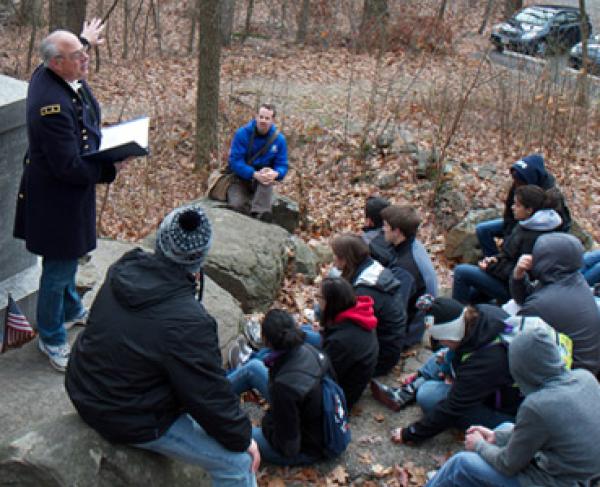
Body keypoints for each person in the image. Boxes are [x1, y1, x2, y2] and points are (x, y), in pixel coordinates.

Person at [65, 204, 259, 487]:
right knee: (238, 463)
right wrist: (244, 439)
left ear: (159, 240)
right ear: (201, 258)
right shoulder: (189, 323)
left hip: (82, 384)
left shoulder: (125, 266)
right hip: (124, 414)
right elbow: (208, 396)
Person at [12, 21, 127, 371]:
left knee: (68, 259)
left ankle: (72, 309)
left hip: (66, 195)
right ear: (57, 63)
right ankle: (51, 337)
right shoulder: (51, 105)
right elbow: (69, 167)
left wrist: (83, 40)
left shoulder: (50, 71)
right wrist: (110, 169)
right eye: (79, 56)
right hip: (56, 199)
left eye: (84, 53)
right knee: (58, 268)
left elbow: (66, 48)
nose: (86, 59)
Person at [425, 326, 600, 487]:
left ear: (522, 369)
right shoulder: (585, 377)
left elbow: (508, 465)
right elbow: (546, 430)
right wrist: (496, 437)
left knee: (461, 464)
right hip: (582, 473)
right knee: (504, 428)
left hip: (558, 481)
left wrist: (479, 445)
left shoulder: (537, 406)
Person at [382, 298, 521, 444]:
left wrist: (410, 433)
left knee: (428, 395)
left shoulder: (486, 362)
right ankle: (412, 387)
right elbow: (459, 351)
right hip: (490, 381)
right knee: (445, 353)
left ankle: (418, 386)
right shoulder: (481, 312)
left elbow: (452, 408)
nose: (439, 343)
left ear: (451, 335)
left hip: (508, 414)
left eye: (442, 339)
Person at [227, 309, 329, 466]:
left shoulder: (284, 387)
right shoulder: (311, 350)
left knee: (231, 432)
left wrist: (268, 422)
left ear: (266, 342)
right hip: (313, 415)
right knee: (254, 367)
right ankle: (214, 392)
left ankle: (206, 412)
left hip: (307, 447)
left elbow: (289, 448)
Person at [452, 185, 563, 305]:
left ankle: (456, 319)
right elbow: (509, 255)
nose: (513, 207)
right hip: (504, 278)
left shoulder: (535, 237)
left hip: (514, 290)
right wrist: (495, 260)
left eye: (517, 205)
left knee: (461, 272)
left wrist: (491, 267)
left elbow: (522, 273)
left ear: (529, 210)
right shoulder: (527, 223)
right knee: (472, 295)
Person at [510, 232, 600, 375]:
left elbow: (514, 336)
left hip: (570, 375)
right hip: (587, 367)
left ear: (547, 260)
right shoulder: (574, 277)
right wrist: (518, 275)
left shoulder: (542, 303)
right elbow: (526, 298)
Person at [331, 234, 407, 376]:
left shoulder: (365, 291)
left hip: (379, 359)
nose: (333, 259)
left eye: (335, 256)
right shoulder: (372, 266)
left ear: (346, 259)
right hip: (388, 346)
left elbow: (350, 330)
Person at [476, 153, 571, 257]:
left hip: (534, 231)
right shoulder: (518, 184)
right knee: (483, 230)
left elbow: (559, 225)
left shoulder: (551, 197)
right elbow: (509, 213)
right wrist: (508, 235)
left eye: (519, 181)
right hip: (518, 222)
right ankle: (491, 259)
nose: (516, 184)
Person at [370, 205, 439, 345]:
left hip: (407, 332)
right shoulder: (412, 244)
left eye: (386, 226)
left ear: (397, 231)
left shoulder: (405, 269)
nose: (383, 229)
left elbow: (394, 311)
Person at [318, 277, 379, 410]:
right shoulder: (361, 315)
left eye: (319, 297)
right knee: (305, 333)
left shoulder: (340, 341)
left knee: (261, 365)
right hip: (347, 376)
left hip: (335, 399)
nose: (317, 301)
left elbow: (319, 376)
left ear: (331, 303)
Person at [226, 104, 288, 221]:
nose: (263, 121)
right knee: (237, 206)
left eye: (267, 118)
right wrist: (253, 174)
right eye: (261, 117)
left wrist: (275, 173)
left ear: (273, 121)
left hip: (263, 181)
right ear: (256, 117)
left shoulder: (279, 140)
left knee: (266, 182)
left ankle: (260, 213)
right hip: (240, 178)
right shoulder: (242, 134)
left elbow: (282, 165)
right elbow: (235, 161)